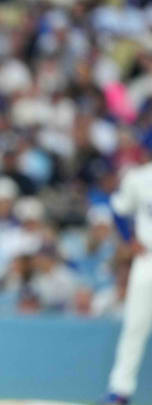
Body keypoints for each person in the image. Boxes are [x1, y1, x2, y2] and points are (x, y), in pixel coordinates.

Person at [101, 158, 152, 405]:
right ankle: (120, 391)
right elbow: (118, 208)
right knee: (135, 326)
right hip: (148, 259)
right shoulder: (140, 177)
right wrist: (129, 239)